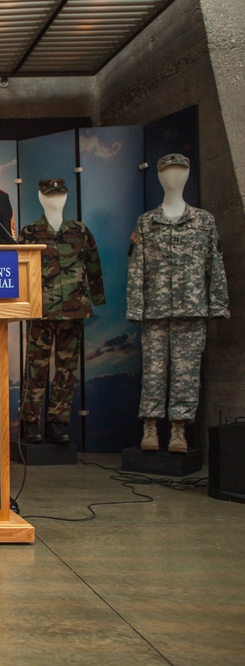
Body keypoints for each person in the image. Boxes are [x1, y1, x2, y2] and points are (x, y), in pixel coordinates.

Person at [127, 153, 229, 453]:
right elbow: (136, 268)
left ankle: (179, 430)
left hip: (192, 309)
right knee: (153, 370)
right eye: (168, 171)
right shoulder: (147, 223)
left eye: (180, 170)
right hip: (155, 310)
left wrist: (218, 304)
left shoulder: (203, 220)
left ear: (188, 174)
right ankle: (150, 426)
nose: (174, 176)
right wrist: (136, 307)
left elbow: (216, 264)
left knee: (186, 371)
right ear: (158, 176)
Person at [18, 179, 105, 445]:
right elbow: (19, 270)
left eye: (59, 194)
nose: (55, 199)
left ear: (66, 196)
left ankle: (58, 422)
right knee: (36, 368)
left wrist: (96, 298)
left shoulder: (79, 231)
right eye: (49, 195)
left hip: (73, 310)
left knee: (67, 369)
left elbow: (93, 266)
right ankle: (30, 423)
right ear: (40, 197)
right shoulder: (30, 232)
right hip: (41, 311)